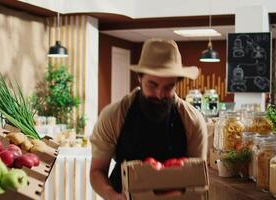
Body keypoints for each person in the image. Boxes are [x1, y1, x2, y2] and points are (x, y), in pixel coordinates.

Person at [89, 38, 208, 200]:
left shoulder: (192, 120)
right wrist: (113, 196)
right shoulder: (114, 115)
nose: (159, 94)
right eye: (152, 85)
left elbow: (196, 177)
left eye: (168, 87)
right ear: (139, 77)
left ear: (177, 83)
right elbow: (97, 171)